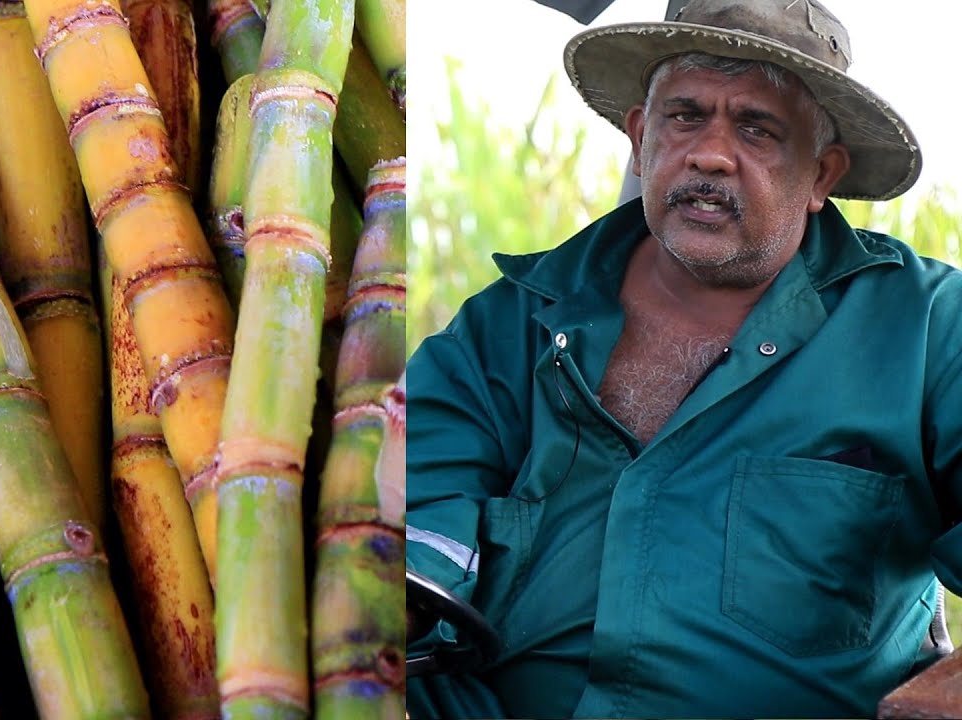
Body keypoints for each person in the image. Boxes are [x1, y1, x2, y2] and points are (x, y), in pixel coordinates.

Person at [405, 0, 962, 717]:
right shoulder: (514, 321)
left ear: (821, 174)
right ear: (641, 138)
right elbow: (415, 506)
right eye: (685, 116)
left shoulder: (924, 326)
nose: (709, 153)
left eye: (757, 128)